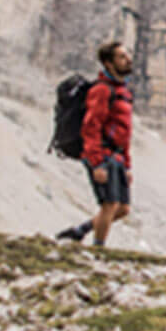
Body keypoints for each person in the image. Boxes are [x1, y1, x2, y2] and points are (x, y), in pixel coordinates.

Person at [57, 39, 135, 247]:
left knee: (123, 209)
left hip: (117, 154)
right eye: (122, 57)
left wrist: (127, 164)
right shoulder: (102, 90)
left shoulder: (123, 92)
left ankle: (79, 231)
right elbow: (91, 126)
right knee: (109, 204)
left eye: (127, 55)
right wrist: (96, 162)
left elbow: (125, 130)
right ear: (108, 64)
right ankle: (98, 250)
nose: (128, 60)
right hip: (103, 154)